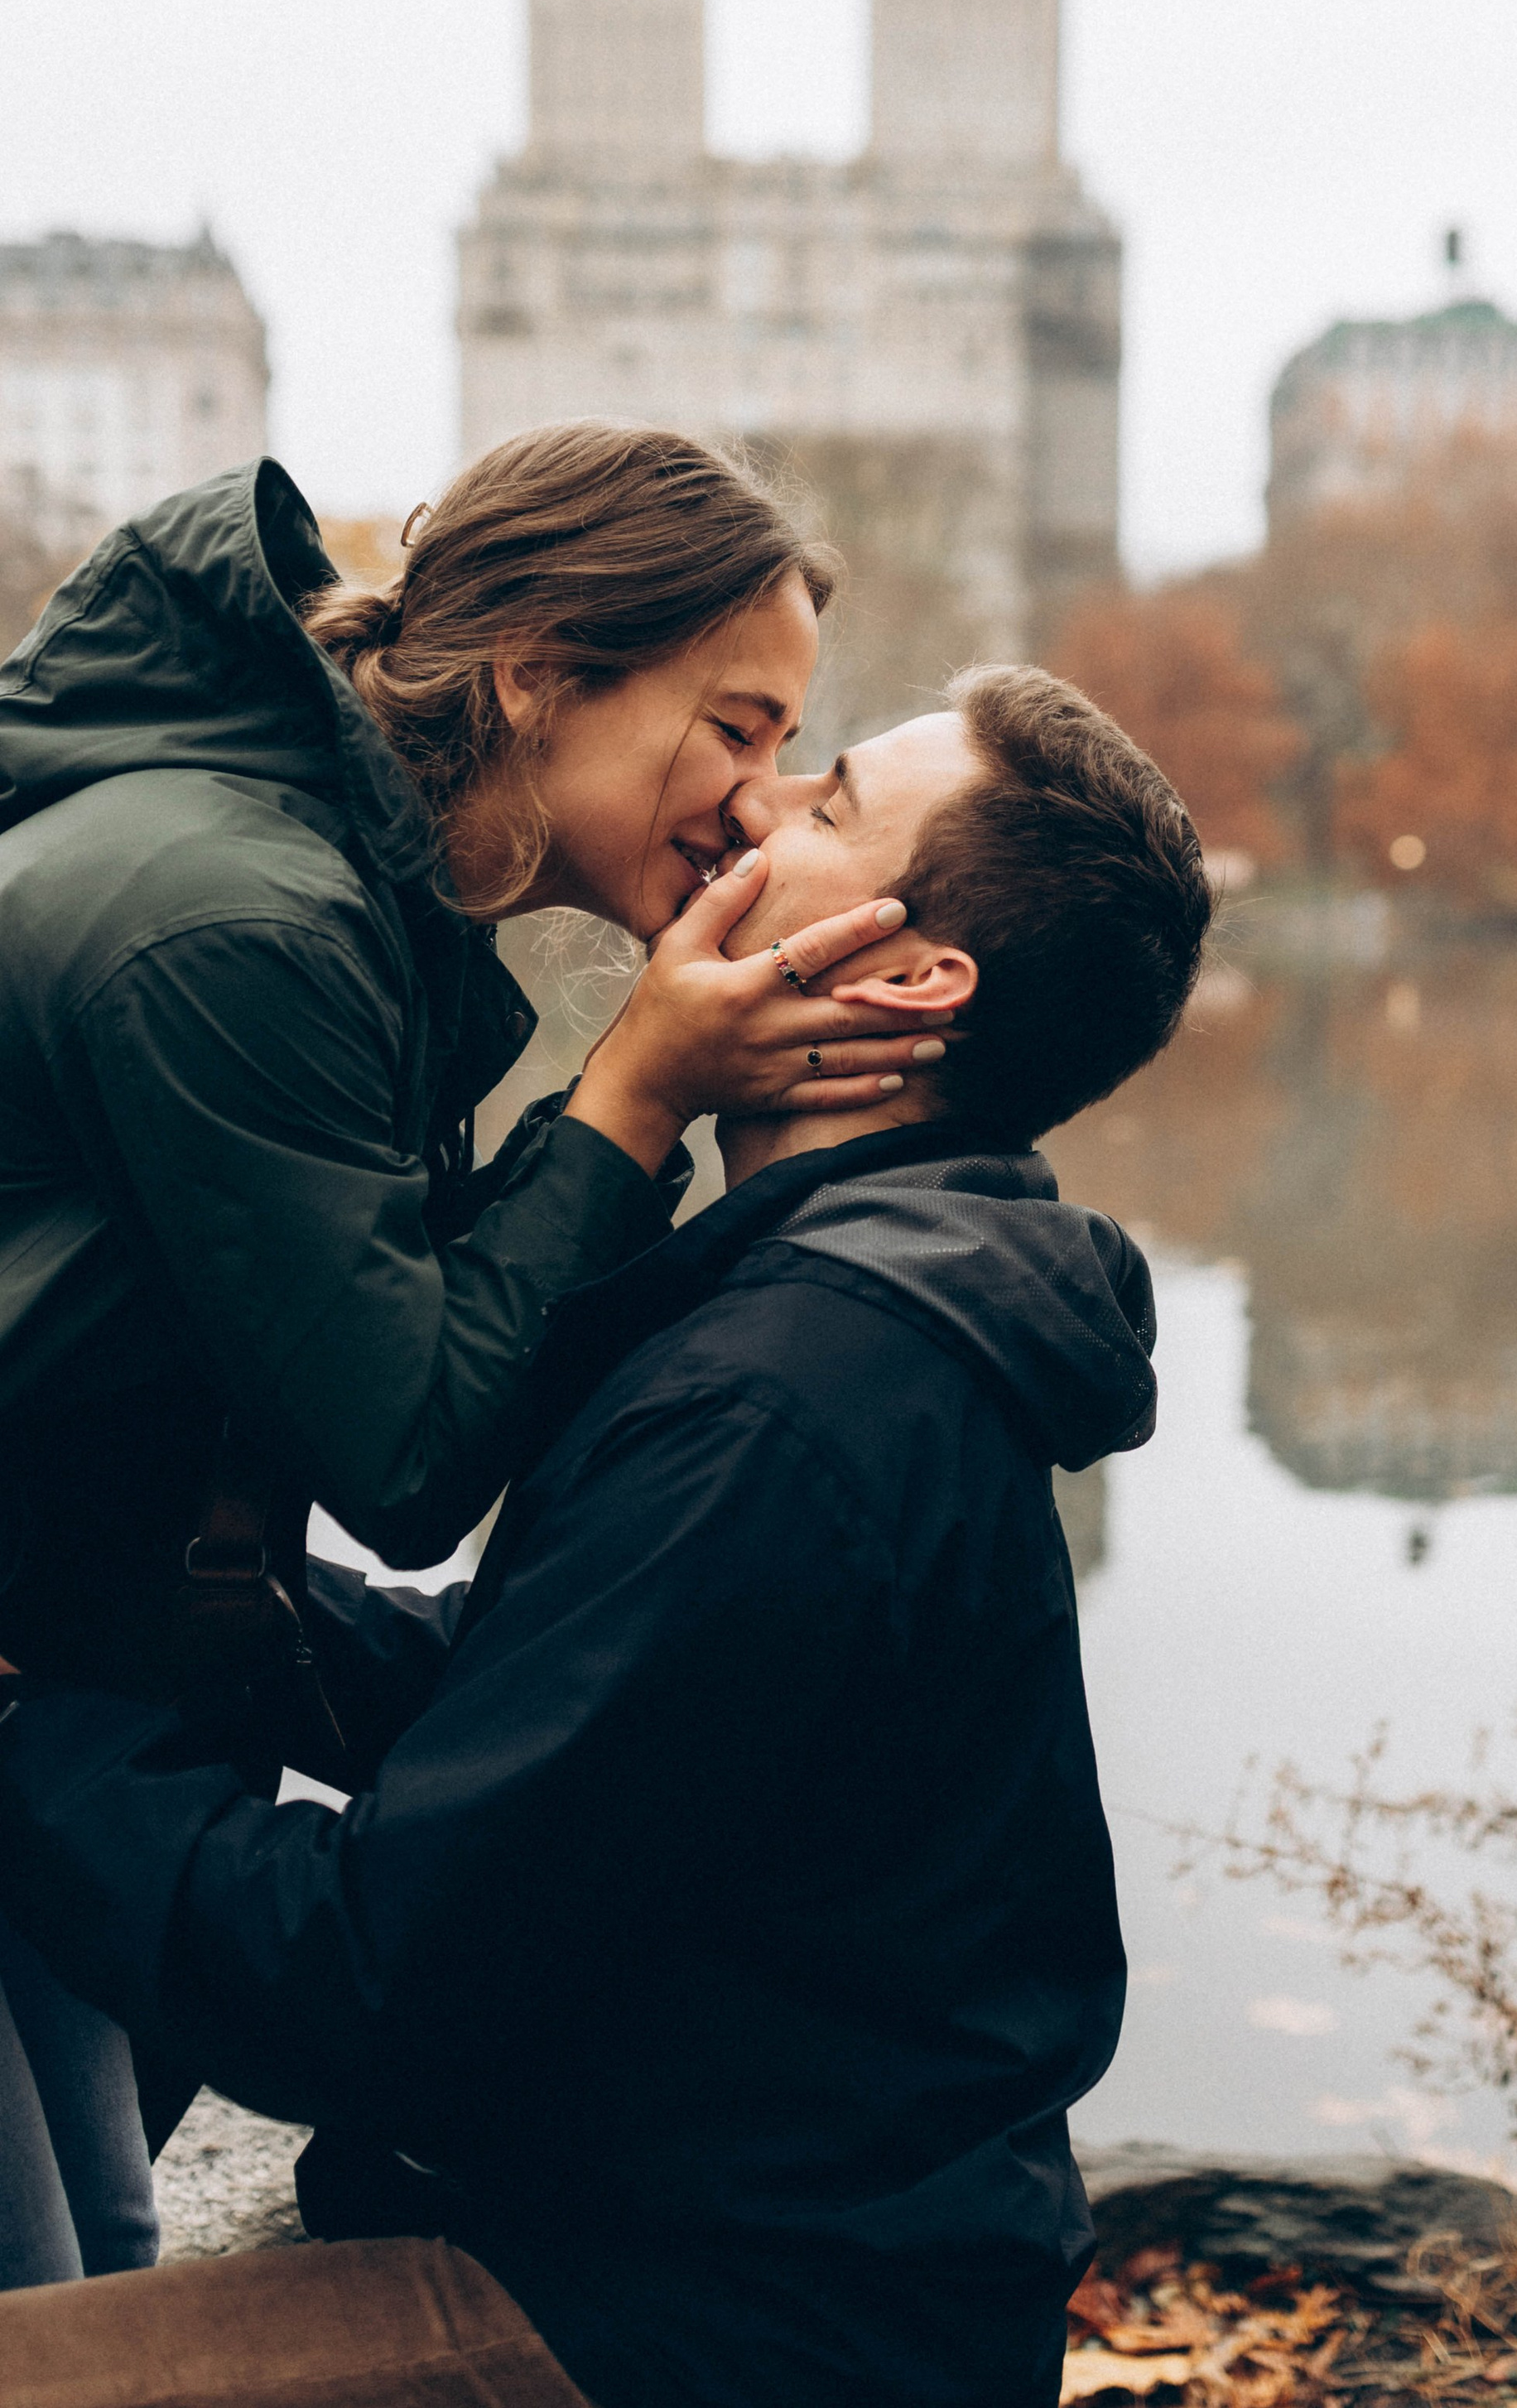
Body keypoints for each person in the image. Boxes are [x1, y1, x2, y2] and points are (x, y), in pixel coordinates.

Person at [0, 664, 1214, 2408]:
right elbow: (573, 1722)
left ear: (904, 974)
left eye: (831, 800)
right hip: (738, 2269)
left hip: (701, 2332)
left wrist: (27, 1738)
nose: (754, 807)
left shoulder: (796, 1401)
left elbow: (358, 1981)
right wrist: (187, 1609)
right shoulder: (853, 1309)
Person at [0, 427, 929, 2291]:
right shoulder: (235, 917)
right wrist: (634, 1088)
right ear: (538, 676)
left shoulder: (331, 886)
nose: (757, 805)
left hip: (51, 1657)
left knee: (89, 2248)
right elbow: (406, 1447)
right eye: (735, 728)